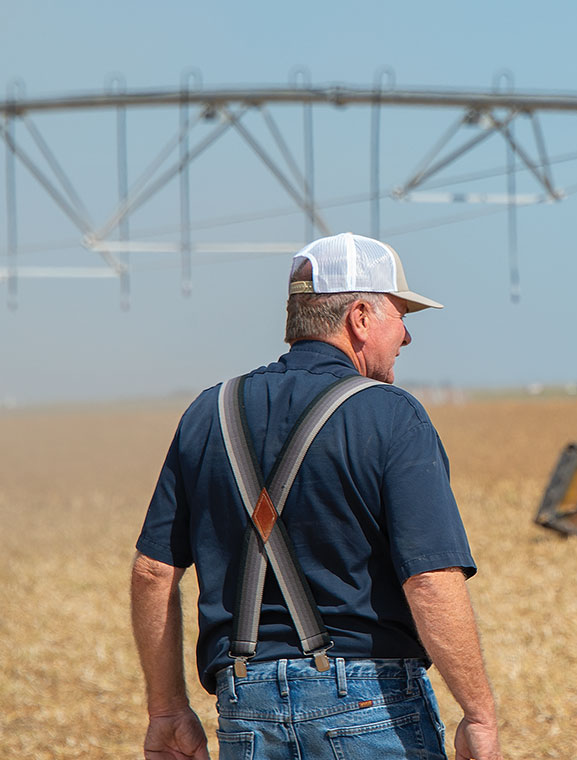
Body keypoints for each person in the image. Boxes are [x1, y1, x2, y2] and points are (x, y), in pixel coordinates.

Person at [130, 232, 501, 760]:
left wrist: (166, 711)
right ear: (360, 317)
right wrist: (479, 714)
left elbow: (152, 573)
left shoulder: (208, 412)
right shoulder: (392, 415)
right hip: (371, 707)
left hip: (245, 707)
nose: (407, 337)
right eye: (402, 316)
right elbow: (430, 579)